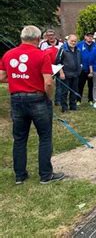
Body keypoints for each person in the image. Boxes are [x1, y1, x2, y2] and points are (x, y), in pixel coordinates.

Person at [0, 25, 64, 185]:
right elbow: (48, 82)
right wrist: (49, 98)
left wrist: (19, 79)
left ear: (22, 37)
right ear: (37, 39)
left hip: (16, 100)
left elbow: (1, 77)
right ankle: (45, 175)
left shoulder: (8, 54)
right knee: (44, 137)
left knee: (20, 138)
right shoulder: (42, 55)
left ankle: (20, 175)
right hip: (37, 99)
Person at [56, 34, 82, 112]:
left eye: (75, 41)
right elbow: (58, 62)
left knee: (74, 91)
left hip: (75, 74)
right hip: (65, 74)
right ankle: (64, 108)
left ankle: (73, 106)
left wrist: (79, 69)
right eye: (72, 41)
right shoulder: (63, 49)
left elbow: (79, 61)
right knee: (64, 92)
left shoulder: (78, 50)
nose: (73, 43)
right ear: (68, 40)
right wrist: (61, 73)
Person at [77, 32, 96, 105]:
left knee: (91, 85)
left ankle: (90, 99)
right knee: (80, 85)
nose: (90, 38)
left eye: (91, 36)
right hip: (82, 68)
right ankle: (78, 100)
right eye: (88, 36)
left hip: (92, 68)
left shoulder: (95, 45)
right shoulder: (79, 44)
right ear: (85, 37)